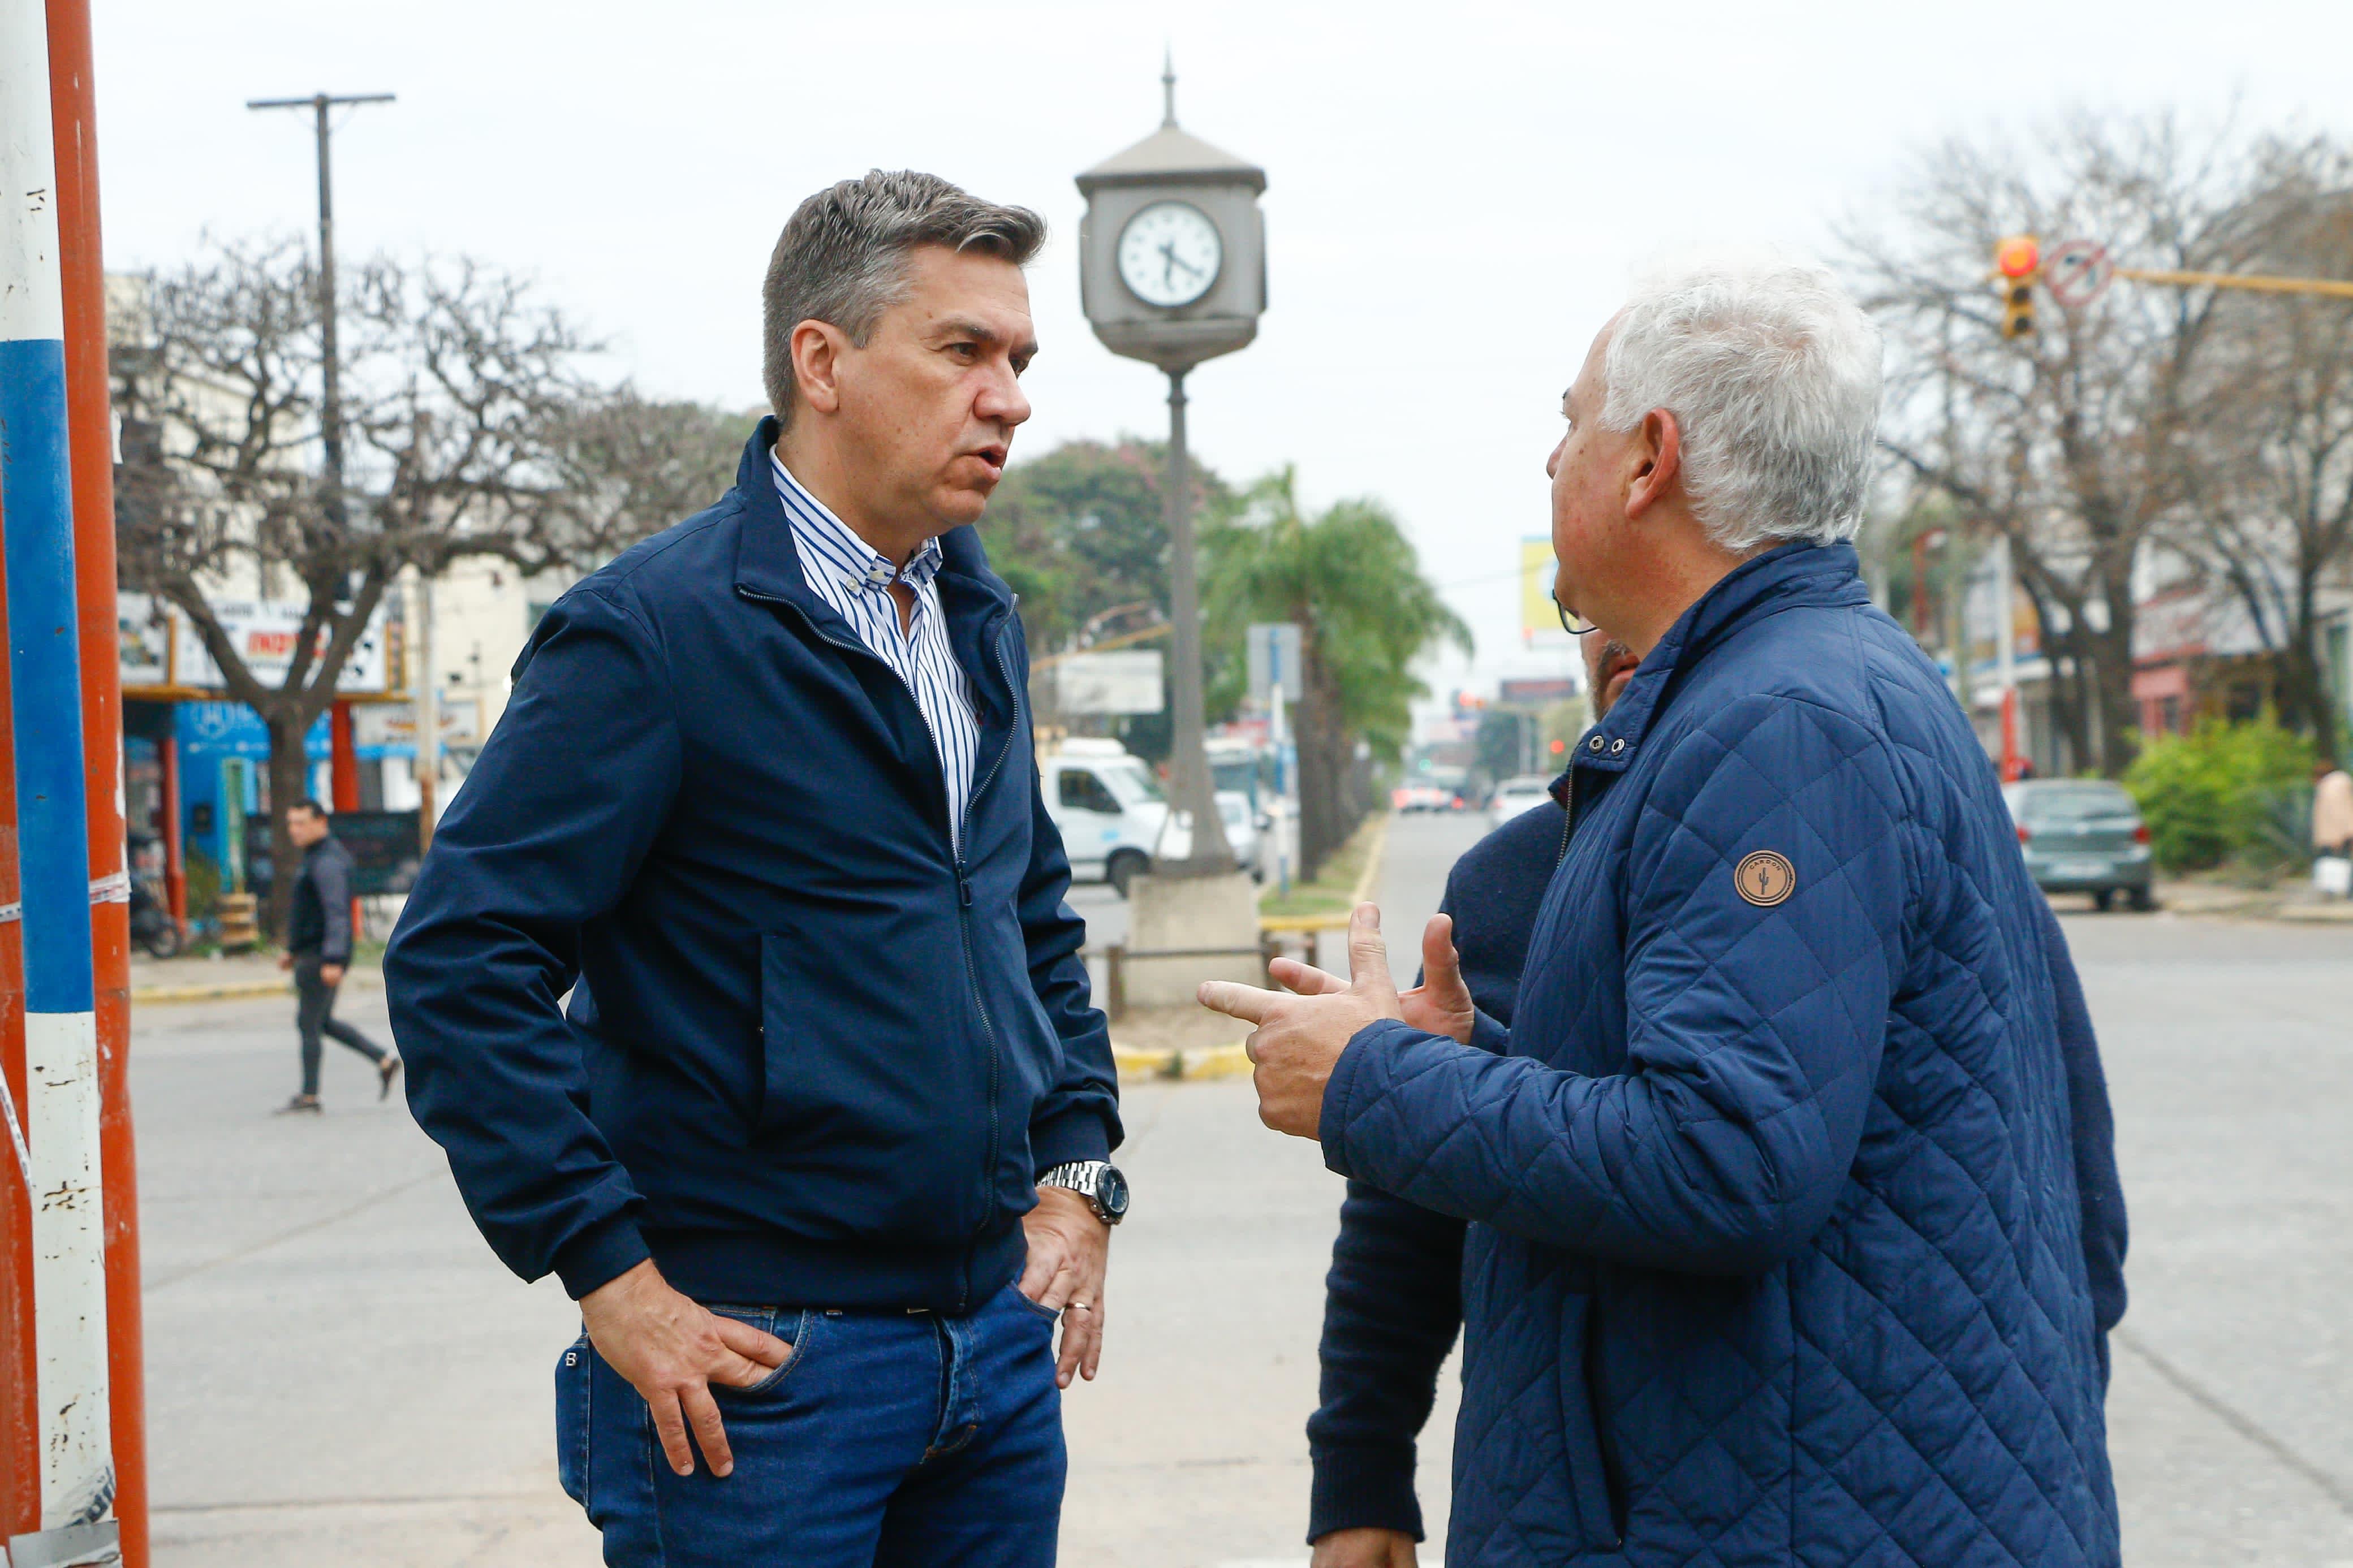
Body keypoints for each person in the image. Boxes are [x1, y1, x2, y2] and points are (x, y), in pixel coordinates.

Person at [1202, 255, 2120, 1566]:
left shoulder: (1782, 727)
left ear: (1647, 460)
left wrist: (1375, 1081)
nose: (1550, 459)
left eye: (1568, 420)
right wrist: (1464, 1070)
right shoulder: (1812, 693)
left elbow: (1727, 1157)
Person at [385, 171, 1125, 1568]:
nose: (1011, 397)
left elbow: (1029, 923)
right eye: (964, 350)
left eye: (1019, 360)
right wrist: (605, 1270)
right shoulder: (651, 636)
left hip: (993, 1360)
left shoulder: (974, 621)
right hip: (760, 1377)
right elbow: (460, 959)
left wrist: (1080, 1174)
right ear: (823, 361)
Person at [1304, 625, 2127, 1565]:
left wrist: (2039, 1426)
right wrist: (1359, 1470)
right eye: (1596, 611)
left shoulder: (1893, 828)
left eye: (1661, 595)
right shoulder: (1510, 885)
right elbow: (1409, 1219)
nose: (1618, 635)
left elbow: (2074, 1196)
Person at [275, 799, 397, 1113]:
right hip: (313, 952)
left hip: (321, 956)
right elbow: (310, 914)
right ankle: (382, 1059)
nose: (295, 830)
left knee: (308, 1023)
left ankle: (310, 1096)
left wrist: (333, 958)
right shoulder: (316, 857)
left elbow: (337, 913)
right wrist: (292, 950)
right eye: (291, 823)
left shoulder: (327, 862)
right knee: (322, 1022)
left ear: (321, 822)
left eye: (301, 822)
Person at [2313, 759, 2353, 867]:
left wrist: (2337, 836)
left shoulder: (2332, 787)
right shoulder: (2338, 784)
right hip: (2341, 836)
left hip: (2334, 839)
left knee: (2335, 870)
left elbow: (2338, 812)